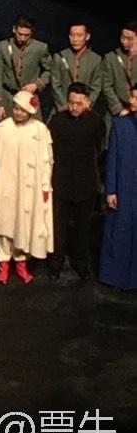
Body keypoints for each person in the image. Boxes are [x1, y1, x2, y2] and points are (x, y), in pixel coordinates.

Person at [0, 90, 54, 284]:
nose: (18, 113)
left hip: (28, 188)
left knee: (24, 224)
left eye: (22, 110)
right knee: (3, 224)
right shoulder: (2, 129)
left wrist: (45, 186)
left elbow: (47, 161)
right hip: (5, 187)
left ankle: (21, 263)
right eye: (15, 108)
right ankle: (3, 266)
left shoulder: (40, 130)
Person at [47, 82, 105, 279]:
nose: (74, 107)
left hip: (85, 183)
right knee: (58, 228)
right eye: (71, 102)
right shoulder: (57, 121)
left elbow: (99, 148)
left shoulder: (96, 122)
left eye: (79, 103)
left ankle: (81, 262)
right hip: (61, 182)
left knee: (83, 228)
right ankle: (56, 262)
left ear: (87, 102)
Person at [99, 83, 137, 290]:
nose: (132, 101)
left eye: (136, 98)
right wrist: (111, 190)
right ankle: (116, 277)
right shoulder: (120, 125)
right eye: (132, 97)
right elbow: (112, 159)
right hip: (124, 186)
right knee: (120, 231)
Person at [0, 15, 51, 121]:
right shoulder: (2, 47)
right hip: (7, 97)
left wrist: (37, 84)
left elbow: (50, 70)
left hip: (29, 97)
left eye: (26, 35)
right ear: (14, 29)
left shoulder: (40, 48)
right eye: (20, 34)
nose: (22, 38)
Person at [50, 22, 102, 113]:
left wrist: (86, 104)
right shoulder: (60, 56)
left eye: (79, 35)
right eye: (72, 35)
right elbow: (55, 85)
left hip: (85, 109)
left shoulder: (95, 59)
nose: (75, 39)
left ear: (87, 36)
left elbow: (96, 87)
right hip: (62, 108)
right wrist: (65, 105)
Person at [102, 21, 137, 119]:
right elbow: (106, 86)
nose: (124, 41)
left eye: (129, 39)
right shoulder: (111, 57)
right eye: (122, 37)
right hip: (117, 110)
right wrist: (119, 108)